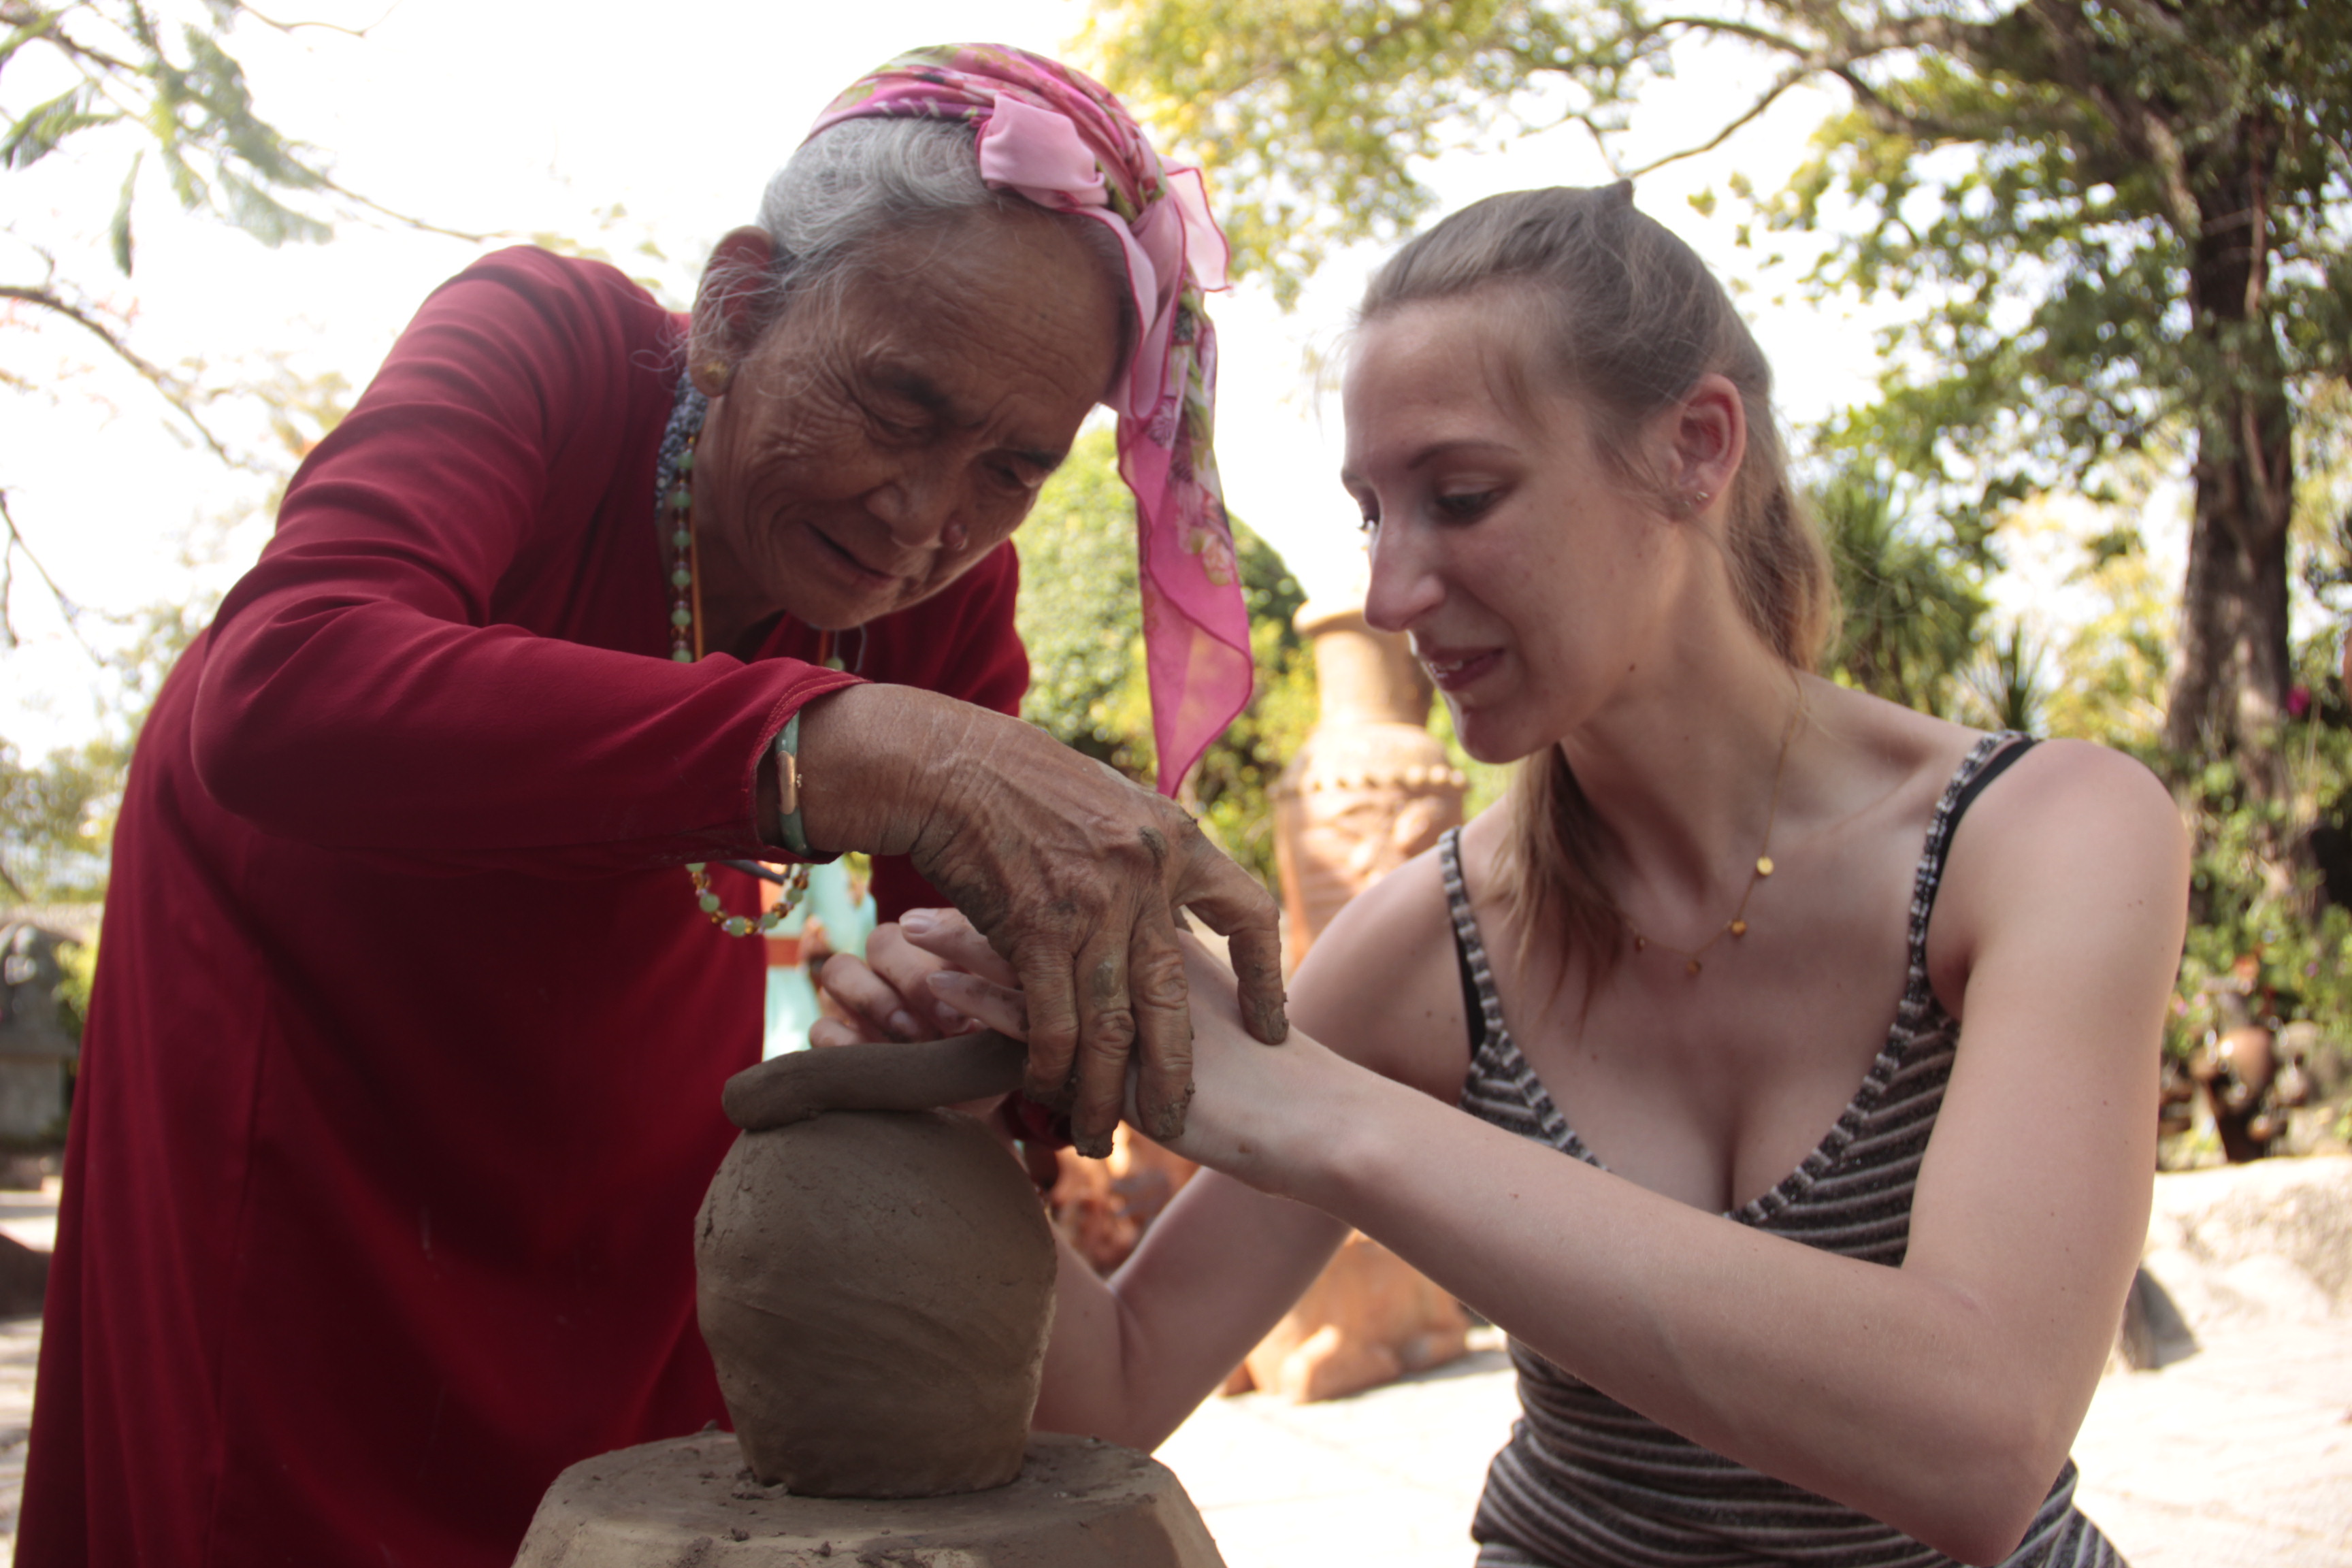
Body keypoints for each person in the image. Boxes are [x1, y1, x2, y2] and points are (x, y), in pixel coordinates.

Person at [18, 45, 1288, 1568]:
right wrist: (855, 742)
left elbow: (950, 998)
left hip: (630, 1119)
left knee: (641, 1489)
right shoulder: (546, 347)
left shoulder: (947, 602)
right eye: (897, 403)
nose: (922, 516)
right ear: (741, 308)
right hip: (309, 1065)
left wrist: (1018, 1007)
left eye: (1011, 468)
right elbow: (286, 684)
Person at [870, 184, 2189, 1567]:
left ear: (1694, 446)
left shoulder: (2042, 835)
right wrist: (952, 1124)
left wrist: (1326, 1115)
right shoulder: (1434, 943)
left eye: (1461, 497)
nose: (1389, 593)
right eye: (1375, 514)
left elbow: (1982, 1444)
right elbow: (1123, 1385)